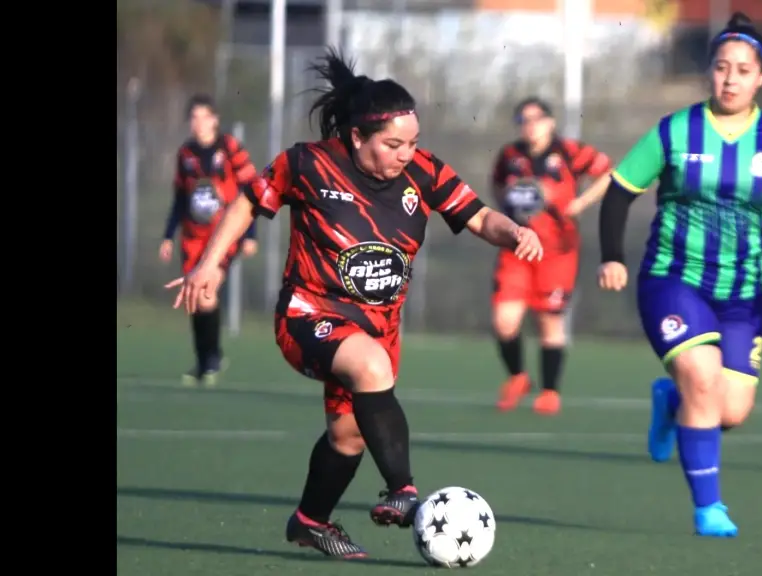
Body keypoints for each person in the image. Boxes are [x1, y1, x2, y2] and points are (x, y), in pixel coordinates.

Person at [166, 49, 542, 560]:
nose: (406, 153)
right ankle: (404, 491)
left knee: (347, 438)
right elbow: (248, 202)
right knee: (370, 366)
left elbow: (479, 217)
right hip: (308, 315)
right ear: (357, 136)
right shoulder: (308, 163)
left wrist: (514, 230)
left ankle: (309, 521)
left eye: (412, 142)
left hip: (380, 326)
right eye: (393, 144)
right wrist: (209, 263)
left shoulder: (424, 172)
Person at [595, 13, 762, 537]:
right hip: (675, 280)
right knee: (702, 376)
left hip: (742, 296)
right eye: (721, 68)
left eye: (742, 70)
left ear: (761, 78)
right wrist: (611, 256)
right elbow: (620, 190)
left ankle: (669, 400)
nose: (730, 79)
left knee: (731, 411)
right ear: (709, 72)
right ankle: (708, 508)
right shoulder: (676, 130)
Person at [490, 97, 612, 415]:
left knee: (549, 321)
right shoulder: (510, 155)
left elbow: (608, 173)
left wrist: (579, 205)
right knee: (504, 322)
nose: (530, 125)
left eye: (536, 118)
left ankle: (549, 391)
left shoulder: (570, 152)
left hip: (557, 252)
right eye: (523, 120)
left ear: (550, 121)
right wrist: (510, 210)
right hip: (517, 249)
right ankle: (517, 377)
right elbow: (497, 185)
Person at [160, 94, 259, 386]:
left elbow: (251, 190)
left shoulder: (229, 148)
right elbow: (180, 198)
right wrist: (168, 235)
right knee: (195, 294)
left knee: (206, 293)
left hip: (223, 236)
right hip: (193, 238)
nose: (199, 123)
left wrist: (250, 234)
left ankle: (212, 358)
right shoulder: (185, 154)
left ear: (215, 119)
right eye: (194, 117)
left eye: (205, 117)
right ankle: (205, 361)